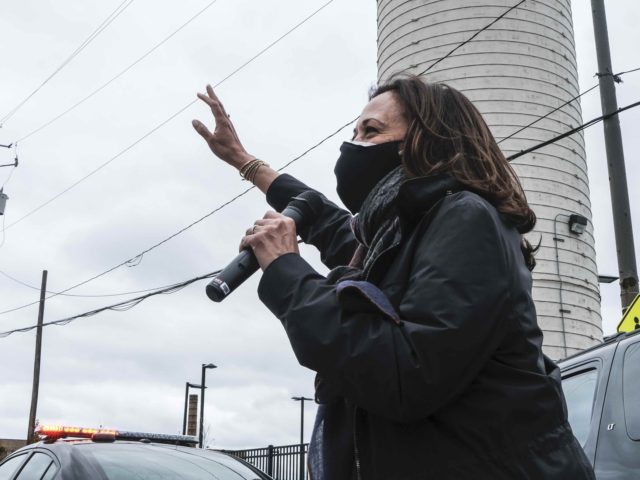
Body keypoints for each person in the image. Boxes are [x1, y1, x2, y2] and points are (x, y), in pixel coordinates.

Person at [192, 76, 595, 479]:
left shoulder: (466, 219)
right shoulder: (394, 230)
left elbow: (407, 374)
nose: (350, 146)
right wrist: (244, 160)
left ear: (426, 141)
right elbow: (323, 216)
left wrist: (287, 271)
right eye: (353, 132)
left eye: (371, 131)